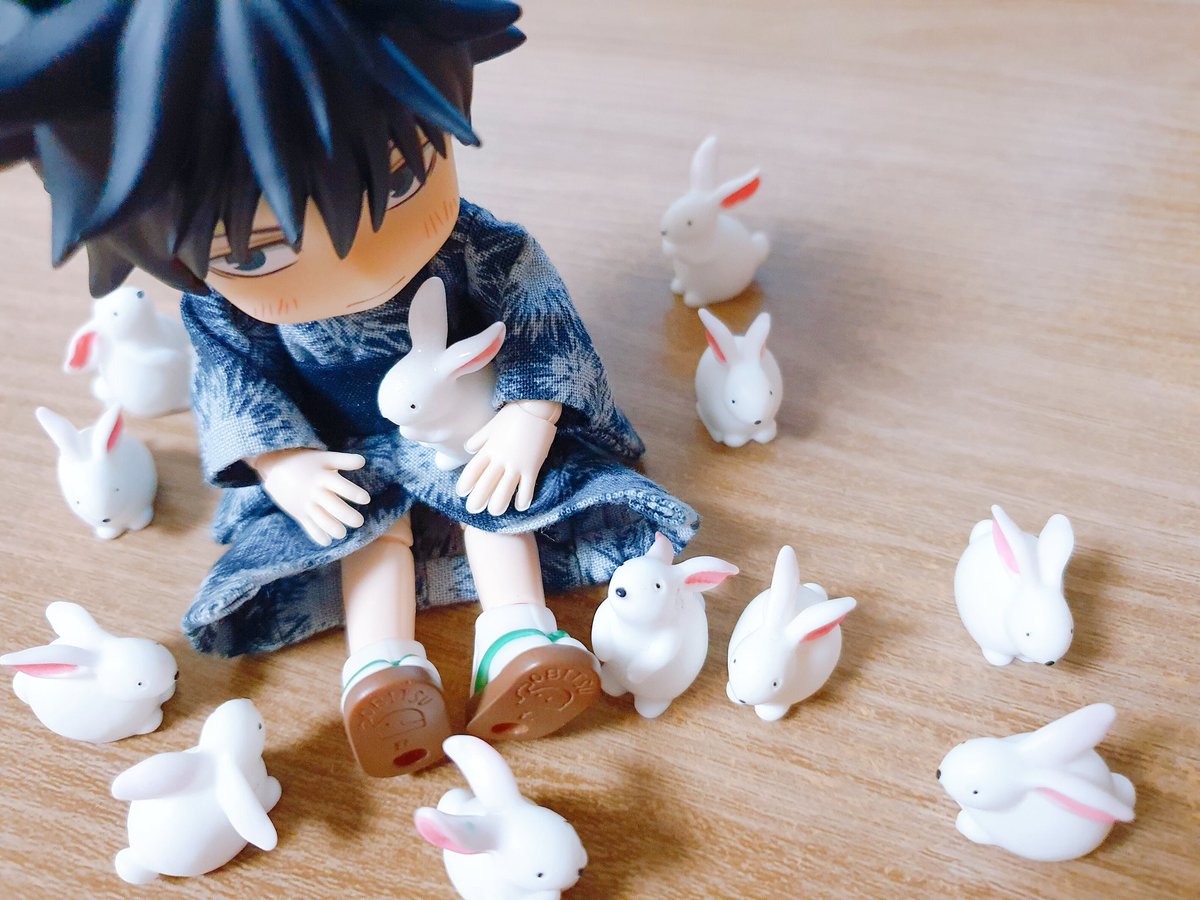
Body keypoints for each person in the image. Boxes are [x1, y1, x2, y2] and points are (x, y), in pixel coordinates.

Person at [0, 0, 697, 776]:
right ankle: (382, 669)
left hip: (472, 427)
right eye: (258, 255)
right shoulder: (221, 310)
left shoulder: (478, 248)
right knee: (365, 533)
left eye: (401, 182)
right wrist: (282, 463)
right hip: (342, 450)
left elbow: (534, 311)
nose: (362, 265)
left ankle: (519, 636)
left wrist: (529, 414)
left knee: (499, 501)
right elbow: (232, 380)